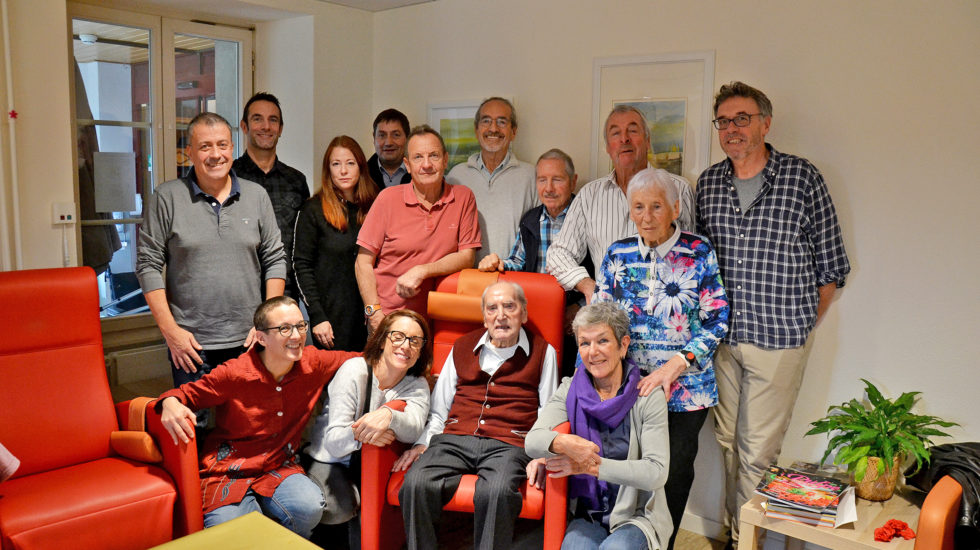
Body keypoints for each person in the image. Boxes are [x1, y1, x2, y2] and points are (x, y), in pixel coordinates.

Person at [695, 82, 850, 548]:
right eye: (724, 120)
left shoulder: (803, 178)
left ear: (766, 123)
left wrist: (800, 324)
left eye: (742, 118)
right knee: (725, 444)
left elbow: (832, 268)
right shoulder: (708, 184)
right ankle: (743, 535)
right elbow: (698, 262)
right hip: (722, 340)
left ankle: (749, 543)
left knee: (757, 454)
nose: (732, 129)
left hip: (779, 340)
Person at [593, 168, 730, 550]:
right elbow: (601, 315)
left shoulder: (697, 251)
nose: (648, 216)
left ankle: (662, 544)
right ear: (630, 210)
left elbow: (717, 319)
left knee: (673, 471)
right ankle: (625, 538)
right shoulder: (617, 253)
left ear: (675, 208)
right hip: (630, 387)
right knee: (629, 467)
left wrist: (676, 365)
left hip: (686, 389)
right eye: (639, 206)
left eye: (656, 206)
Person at [156, 296, 359, 538]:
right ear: (261, 338)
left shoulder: (313, 362)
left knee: (309, 507)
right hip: (227, 470)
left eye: (300, 326)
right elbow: (184, 394)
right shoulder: (234, 373)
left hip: (278, 464)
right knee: (236, 535)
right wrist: (170, 401)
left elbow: (361, 359)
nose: (296, 335)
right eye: (284, 328)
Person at [395, 281, 558, 550]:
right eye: (492, 308)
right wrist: (422, 443)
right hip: (454, 440)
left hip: (509, 445)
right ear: (484, 317)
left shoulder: (544, 352)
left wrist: (542, 453)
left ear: (524, 314)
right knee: (416, 482)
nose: (501, 315)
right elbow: (439, 409)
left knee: (496, 492)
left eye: (509, 306)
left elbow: (549, 412)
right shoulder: (461, 346)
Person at [137, 112, 285, 397]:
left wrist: (266, 323)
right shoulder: (167, 197)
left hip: (249, 340)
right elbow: (148, 265)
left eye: (222, 145)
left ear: (232, 148)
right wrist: (171, 333)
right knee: (195, 431)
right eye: (205, 146)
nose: (215, 154)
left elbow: (275, 259)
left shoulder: (256, 196)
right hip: (191, 345)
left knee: (248, 427)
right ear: (189, 152)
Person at [525, 302, 671, 549]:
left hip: (636, 517)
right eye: (584, 343)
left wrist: (591, 466)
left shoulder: (647, 395)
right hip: (588, 513)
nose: (593, 352)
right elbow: (532, 441)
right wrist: (562, 443)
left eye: (602, 341)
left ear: (623, 345)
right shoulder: (570, 389)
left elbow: (656, 472)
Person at [305, 309, 432, 546]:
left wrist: (388, 415)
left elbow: (414, 428)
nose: (406, 346)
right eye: (398, 336)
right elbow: (334, 441)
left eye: (415, 341)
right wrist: (367, 432)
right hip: (330, 460)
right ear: (383, 339)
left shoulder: (417, 383)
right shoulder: (355, 370)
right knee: (340, 507)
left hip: (370, 464)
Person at [548, 105, 695, 304]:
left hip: (663, 319)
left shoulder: (679, 189)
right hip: (608, 319)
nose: (624, 139)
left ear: (648, 141)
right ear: (608, 147)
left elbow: (691, 259)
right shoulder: (589, 195)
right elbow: (558, 253)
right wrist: (588, 286)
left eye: (633, 131)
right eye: (616, 133)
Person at [355, 125, 481, 332]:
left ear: (446, 160)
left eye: (434, 156)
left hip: (441, 321)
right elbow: (362, 263)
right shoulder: (387, 199)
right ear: (408, 164)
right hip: (389, 319)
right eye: (418, 158)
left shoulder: (463, 197)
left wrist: (421, 271)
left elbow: (467, 256)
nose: (427, 164)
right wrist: (374, 312)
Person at [293, 136, 378, 352]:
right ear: (328, 169)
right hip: (331, 320)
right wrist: (317, 316)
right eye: (336, 164)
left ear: (360, 167)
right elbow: (301, 266)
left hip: (371, 313)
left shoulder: (375, 206)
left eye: (350, 163)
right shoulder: (312, 209)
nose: (343, 171)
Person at [233, 92, 310, 299]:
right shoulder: (229, 178)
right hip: (239, 291)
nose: (266, 126)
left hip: (287, 292)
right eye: (257, 119)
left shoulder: (296, 181)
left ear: (281, 129)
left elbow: (305, 243)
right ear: (244, 126)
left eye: (273, 120)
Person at [447, 97, 537, 262]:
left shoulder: (532, 176)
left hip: (513, 279)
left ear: (513, 131)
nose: (493, 128)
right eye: (486, 121)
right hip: (466, 279)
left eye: (502, 122)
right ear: (476, 130)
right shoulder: (455, 176)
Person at [478, 148, 577, 274]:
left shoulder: (586, 218)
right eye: (542, 180)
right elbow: (517, 261)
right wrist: (498, 263)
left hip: (576, 293)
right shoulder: (530, 220)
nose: (549, 188)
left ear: (573, 182)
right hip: (536, 292)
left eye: (557, 180)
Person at [368, 108, 412, 188]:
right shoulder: (361, 175)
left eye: (396, 135)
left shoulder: (420, 173)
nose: (388, 143)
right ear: (374, 138)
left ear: (408, 138)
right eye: (382, 135)